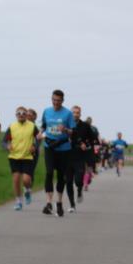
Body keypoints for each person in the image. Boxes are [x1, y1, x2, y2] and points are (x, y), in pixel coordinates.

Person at [39, 89, 76, 217]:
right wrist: (40, 132)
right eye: (54, 100)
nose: (56, 103)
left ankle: (59, 202)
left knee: (61, 176)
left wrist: (65, 129)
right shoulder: (47, 111)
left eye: (58, 101)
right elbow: (43, 125)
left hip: (64, 148)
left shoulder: (68, 114)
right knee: (49, 172)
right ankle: (49, 203)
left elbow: (73, 132)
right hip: (49, 146)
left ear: (62, 101)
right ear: (51, 99)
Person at [5, 106, 37, 210]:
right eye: (19, 113)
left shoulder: (32, 126)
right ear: (16, 115)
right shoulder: (12, 126)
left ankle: (27, 190)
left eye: (23, 113)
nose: (21, 115)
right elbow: (5, 141)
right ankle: (18, 201)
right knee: (16, 179)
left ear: (26, 115)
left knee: (26, 180)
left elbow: (38, 137)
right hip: (14, 156)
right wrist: (7, 146)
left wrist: (35, 146)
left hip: (27, 157)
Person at [69, 105, 94, 204]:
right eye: (73, 112)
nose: (75, 114)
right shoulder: (66, 124)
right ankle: (72, 204)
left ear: (80, 114)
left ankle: (79, 191)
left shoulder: (85, 126)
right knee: (68, 181)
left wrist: (86, 145)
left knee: (78, 180)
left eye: (77, 113)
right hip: (67, 154)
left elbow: (92, 139)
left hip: (80, 155)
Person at [27, 108, 41, 180]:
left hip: (33, 152)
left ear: (34, 117)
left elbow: (39, 139)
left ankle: (28, 189)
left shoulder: (35, 127)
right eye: (27, 115)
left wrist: (35, 147)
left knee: (30, 171)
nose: (28, 116)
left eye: (30, 115)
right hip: (22, 151)